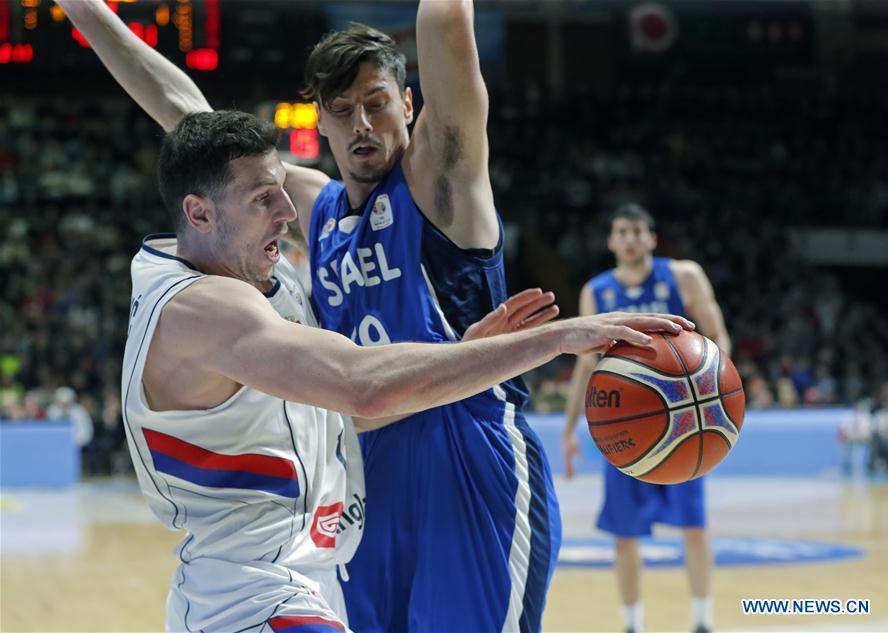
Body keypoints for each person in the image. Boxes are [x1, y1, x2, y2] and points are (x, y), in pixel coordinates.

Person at [57, 1, 569, 629]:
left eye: (377, 103)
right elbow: (176, 105)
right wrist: (82, 8)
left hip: (464, 455)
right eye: (343, 109)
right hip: (365, 476)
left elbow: (445, 25)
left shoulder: (442, 181)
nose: (362, 123)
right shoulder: (311, 207)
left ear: (408, 104)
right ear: (320, 121)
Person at [124, 109, 689, 631]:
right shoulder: (204, 308)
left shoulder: (220, 279)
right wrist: (557, 338)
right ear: (198, 212)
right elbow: (363, 388)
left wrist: (461, 356)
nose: (287, 213)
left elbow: (343, 416)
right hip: (253, 600)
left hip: (268, 586)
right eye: (262, 199)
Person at [562, 203, 731, 633]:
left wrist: (720, 403)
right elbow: (585, 366)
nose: (631, 238)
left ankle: (702, 621)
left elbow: (717, 335)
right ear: (611, 241)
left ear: (652, 239)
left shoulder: (682, 275)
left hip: (683, 422)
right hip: (627, 425)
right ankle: (632, 624)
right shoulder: (596, 292)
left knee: (693, 526)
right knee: (625, 534)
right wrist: (569, 430)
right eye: (623, 231)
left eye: (639, 230)